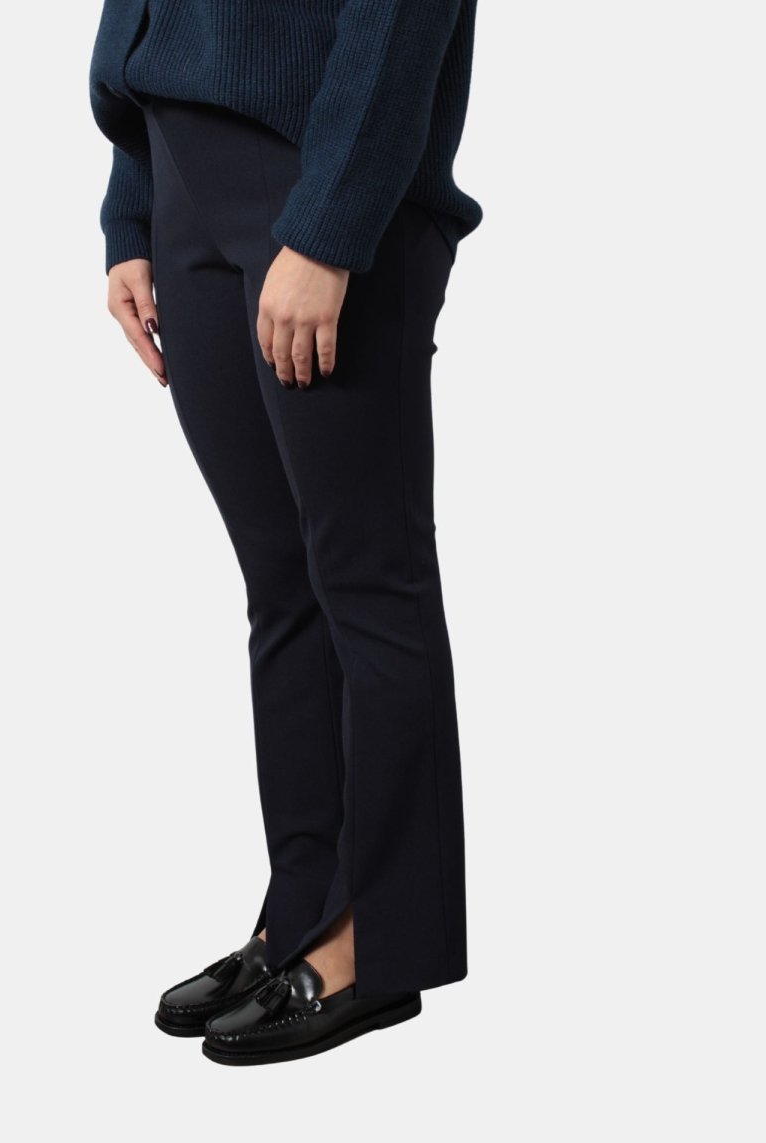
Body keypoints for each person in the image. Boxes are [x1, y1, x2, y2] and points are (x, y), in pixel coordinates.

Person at [88, 0, 483, 1066]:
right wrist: (134, 208)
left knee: (367, 578)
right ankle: (300, 910)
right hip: (181, 163)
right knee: (283, 582)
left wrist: (332, 223)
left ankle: (379, 944)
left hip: (319, 173)